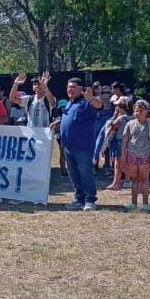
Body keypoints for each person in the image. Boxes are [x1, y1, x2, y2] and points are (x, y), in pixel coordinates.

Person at [50, 77, 103, 211]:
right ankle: (79, 199)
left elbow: (99, 106)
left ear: (81, 89)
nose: (70, 89)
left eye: (73, 87)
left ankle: (90, 200)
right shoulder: (69, 103)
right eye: (68, 87)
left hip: (83, 146)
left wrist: (91, 98)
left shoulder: (87, 102)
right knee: (73, 174)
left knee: (85, 172)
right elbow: (71, 117)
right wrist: (59, 122)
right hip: (68, 145)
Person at [121, 100, 150, 212]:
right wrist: (123, 155)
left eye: (141, 110)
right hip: (132, 154)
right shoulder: (129, 124)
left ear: (146, 111)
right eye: (136, 110)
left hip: (145, 155)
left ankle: (145, 203)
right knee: (134, 179)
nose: (138, 113)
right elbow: (125, 140)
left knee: (144, 179)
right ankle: (133, 202)